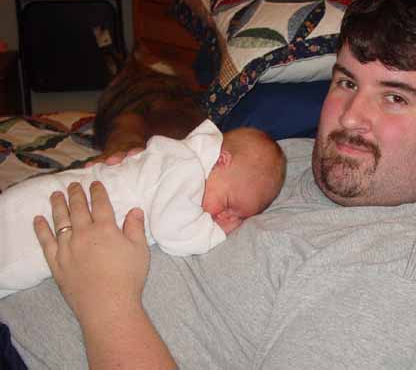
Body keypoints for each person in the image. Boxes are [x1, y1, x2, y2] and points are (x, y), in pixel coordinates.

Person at [0, 0, 416, 369]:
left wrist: (103, 300)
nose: (350, 117)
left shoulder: (391, 279)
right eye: (346, 82)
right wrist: (132, 163)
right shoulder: (301, 158)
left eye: (395, 97)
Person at [0, 119, 286, 299]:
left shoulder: (174, 158)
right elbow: (173, 232)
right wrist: (215, 233)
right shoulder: (185, 167)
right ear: (220, 160)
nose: (225, 218)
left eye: (238, 217)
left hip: (48, 206)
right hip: (48, 216)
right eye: (227, 205)